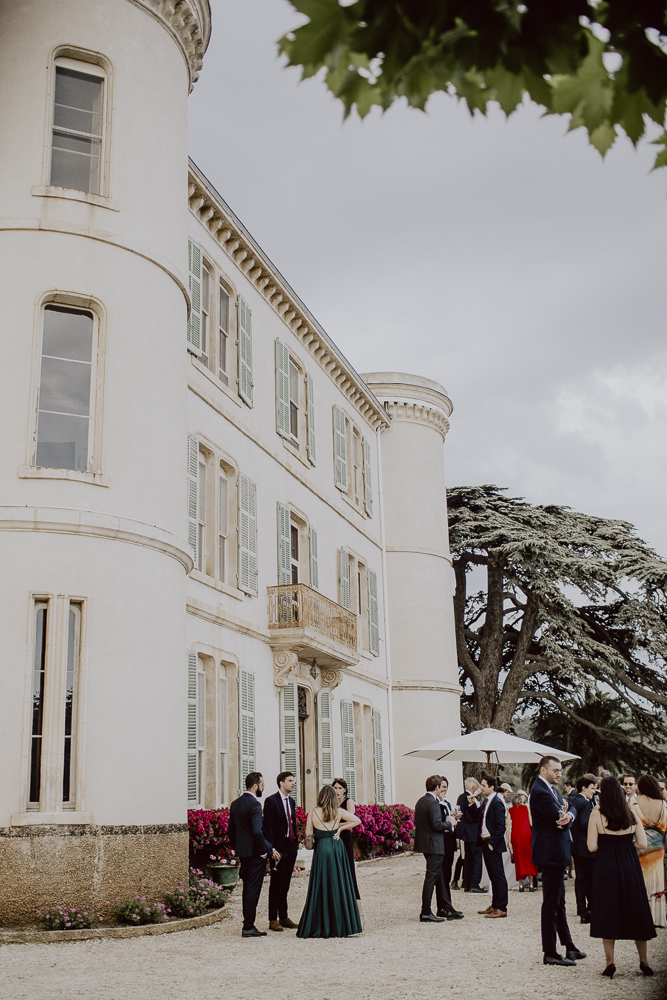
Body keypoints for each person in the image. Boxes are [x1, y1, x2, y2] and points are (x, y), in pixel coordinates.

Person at [588, 776, 656, 978]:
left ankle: (610, 963)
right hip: (629, 864)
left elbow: (591, 846)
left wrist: (607, 845)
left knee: (608, 910)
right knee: (635, 907)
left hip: (606, 865)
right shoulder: (632, 814)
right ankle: (643, 960)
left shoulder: (597, 814)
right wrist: (626, 846)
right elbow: (643, 844)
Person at [529, 755, 586, 967]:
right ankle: (550, 951)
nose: (559, 774)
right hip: (550, 852)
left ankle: (569, 946)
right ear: (543, 770)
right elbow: (558, 819)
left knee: (559, 901)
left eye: (561, 770)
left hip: (557, 851)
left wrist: (569, 815)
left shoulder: (551, 789)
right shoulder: (540, 791)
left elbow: (569, 806)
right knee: (551, 903)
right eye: (556, 770)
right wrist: (568, 817)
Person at [297, 784, 362, 938]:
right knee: (339, 882)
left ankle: (319, 923)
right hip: (336, 846)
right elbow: (357, 820)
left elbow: (308, 833)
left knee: (321, 884)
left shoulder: (313, 812)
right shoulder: (338, 811)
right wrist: (339, 829)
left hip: (322, 848)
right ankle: (341, 924)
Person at [228, 771, 279, 938]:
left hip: (243, 852)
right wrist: (264, 851)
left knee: (247, 889)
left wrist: (239, 847)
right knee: (253, 889)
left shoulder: (235, 804)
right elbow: (257, 832)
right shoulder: (255, 805)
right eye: (262, 785)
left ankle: (247, 923)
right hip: (256, 854)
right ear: (255, 786)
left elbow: (231, 831)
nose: (263, 788)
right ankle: (248, 926)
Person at [414, 774, 456, 922]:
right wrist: (451, 823)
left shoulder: (421, 801)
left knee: (439, 878)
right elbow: (437, 825)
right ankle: (426, 911)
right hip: (435, 845)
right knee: (431, 879)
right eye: (441, 787)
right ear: (437, 787)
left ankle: (446, 907)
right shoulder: (433, 803)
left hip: (425, 844)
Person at [262, 771, 300, 932]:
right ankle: (273, 919)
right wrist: (271, 848)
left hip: (290, 847)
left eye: (293, 781)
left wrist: (296, 842)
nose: (293, 783)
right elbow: (267, 827)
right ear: (281, 783)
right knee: (276, 883)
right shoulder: (271, 801)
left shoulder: (291, 801)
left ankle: (284, 916)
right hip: (278, 848)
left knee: (286, 883)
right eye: (290, 781)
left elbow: (292, 822)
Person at [634, 774, 667, 928]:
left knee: (639, 880)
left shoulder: (633, 802)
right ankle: (657, 918)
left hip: (639, 847)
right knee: (657, 880)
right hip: (658, 848)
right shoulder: (663, 803)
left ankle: (639, 916)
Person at [477, 774, 509, 918]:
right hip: (485, 841)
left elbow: (501, 826)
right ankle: (495, 904)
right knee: (492, 875)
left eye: (484, 785)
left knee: (498, 875)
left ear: (491, 787)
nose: (481, 788)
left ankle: (501, 907)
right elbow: (478, 817)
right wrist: (471, 803)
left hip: (492, 843)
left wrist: (492, 844)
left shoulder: (497, 802)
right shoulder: (486, 801)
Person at [332, 777, 363, 925]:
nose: (337, 791)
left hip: (344, 836)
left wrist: (337, 823)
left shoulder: (348, 802)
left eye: (340, 788)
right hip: (333, 837)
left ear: (345, 790)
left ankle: (360, 914)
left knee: (349, 873)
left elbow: (352, 821)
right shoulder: (331, 802)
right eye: (335, 788)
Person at [568, 774, 597, 924]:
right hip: (586, 846)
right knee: (590, 878)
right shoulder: (585, 803)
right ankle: (591, 908)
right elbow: (585, 824)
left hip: (575, 847)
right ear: (584, 788)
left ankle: (581, 908)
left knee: (580, 878)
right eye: (592, 788)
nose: (594, 791)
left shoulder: (572, 799)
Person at [455, 777, 485, 894]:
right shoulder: (468, 798)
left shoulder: (460, 797)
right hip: (472, 832)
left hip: (466, 833)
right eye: (477, 787)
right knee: (477, 858)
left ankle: (466, 882)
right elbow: (470, 816)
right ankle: (474, 884)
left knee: (468, 858)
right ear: (473, 787)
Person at [509, 790, 538, 891]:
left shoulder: (510, 810)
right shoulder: (526, 808)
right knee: (529, 856)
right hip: (527, 834)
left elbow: (507, 825)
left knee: (518, 857)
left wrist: (507, 839)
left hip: (516, 835)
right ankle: (530, 883)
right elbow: (531, 822)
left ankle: (520, 884)